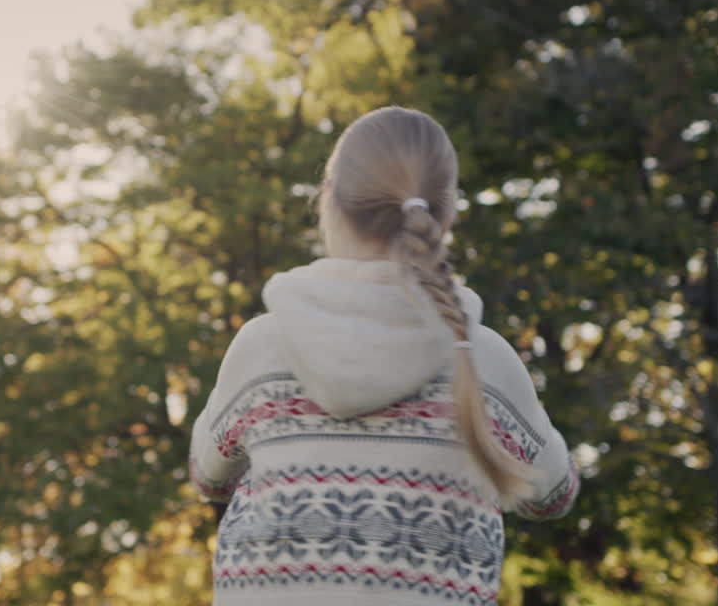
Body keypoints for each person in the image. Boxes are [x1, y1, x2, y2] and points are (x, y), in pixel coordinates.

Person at [189, 106, 579, 605]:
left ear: (328, 200)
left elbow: (208, 476)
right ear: (444, 214)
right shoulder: (482, 359)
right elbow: (555, 495)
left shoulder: (264, 345)